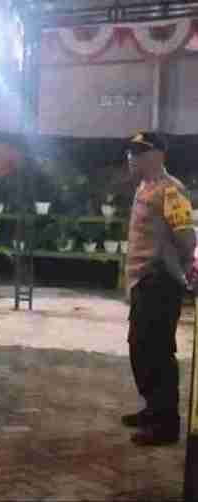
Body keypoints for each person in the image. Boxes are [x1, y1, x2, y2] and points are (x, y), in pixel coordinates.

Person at [121, 131, 196, 446]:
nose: (132, 158)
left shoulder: (171, 191)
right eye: (130, 153)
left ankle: (166, 424)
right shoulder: (144, 187)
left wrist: (178, 267)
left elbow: (187, 237)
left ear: (157, 156)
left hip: (160, 281)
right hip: (142, 281)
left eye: (139, 153)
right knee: (140, 347)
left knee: (158, 352)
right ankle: (153, 408)